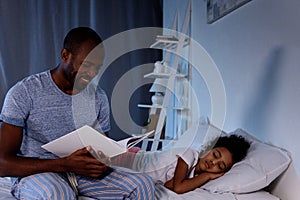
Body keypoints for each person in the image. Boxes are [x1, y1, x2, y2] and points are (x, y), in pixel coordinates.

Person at [0, 27, 154, 199]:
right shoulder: (24, 92)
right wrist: (64, 164)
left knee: (143, 184)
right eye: (86, 65)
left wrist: (102, 161)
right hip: (39, 174)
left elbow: (102, 150)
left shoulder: (98, 97)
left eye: (97, 68)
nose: (92, 74)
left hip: (82, 174)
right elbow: (3, 164)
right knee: (58, 194)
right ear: (65, 55)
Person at [112, 134, 250, 195]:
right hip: (127, 159)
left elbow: (168, 186)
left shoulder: (191, 177)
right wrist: (207, 176)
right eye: (215, 155)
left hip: (130, 171)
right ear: (209, 149)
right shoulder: (189, 154)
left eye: (219, 166)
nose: (213, 162)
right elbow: (178, 188)